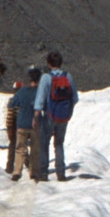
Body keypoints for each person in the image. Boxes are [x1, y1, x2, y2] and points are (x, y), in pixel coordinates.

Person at [33, 51, 79, 182]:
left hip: (49, 115)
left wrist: (36, 115)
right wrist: (67, 110)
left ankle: (43, 173)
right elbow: (74, 98)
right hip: (63, 117)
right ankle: (61, 173)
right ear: (61, 63)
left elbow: (40, 98)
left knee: (44, 143)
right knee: (59, 143)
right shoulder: (68, 76)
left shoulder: (46, 78)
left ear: (48, 63)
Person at [5, 70, 43, 180]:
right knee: (35, 148)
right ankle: (33, 171)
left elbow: (11, 104)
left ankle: (17, 171)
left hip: (21, 123)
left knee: (20, 149)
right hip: (35, 124)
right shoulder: (40, 92)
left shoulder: (21, 91)